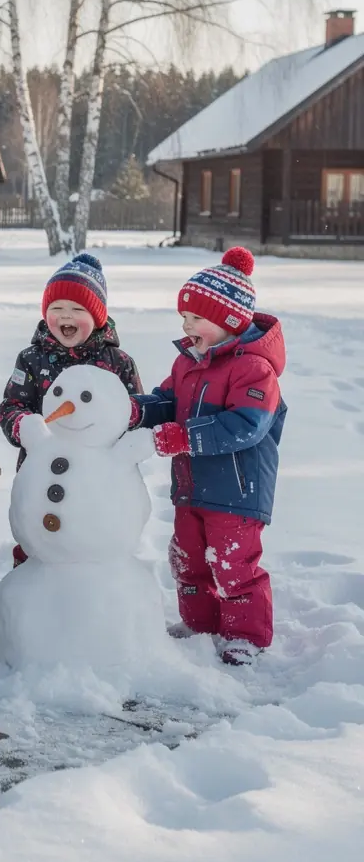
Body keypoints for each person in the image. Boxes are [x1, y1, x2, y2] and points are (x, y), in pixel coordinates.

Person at [132, 247, 286, 666]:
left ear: (230, 320)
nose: (186, 327)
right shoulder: (188, 363)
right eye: (184, 318)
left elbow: (245, 426)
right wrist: (138, 411)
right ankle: (200, 625)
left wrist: (183, 438)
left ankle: (245, 635)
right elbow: (168, 400)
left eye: (196, 319)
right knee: (187, 559)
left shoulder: (254, 369)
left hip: (237, 492)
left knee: (233, 564)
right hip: (192, 487)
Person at [0, 253, 142, 566]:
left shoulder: (118, 364)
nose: (66, 317)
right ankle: (27, 605)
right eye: (56, 309)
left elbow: (134, 414)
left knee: (93, 543)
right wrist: (23, 426)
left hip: (98, 481)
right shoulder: (32, 360)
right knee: (36, 540)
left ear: (98, 316)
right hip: (42, 472)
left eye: (77, 309)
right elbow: (11, 404)